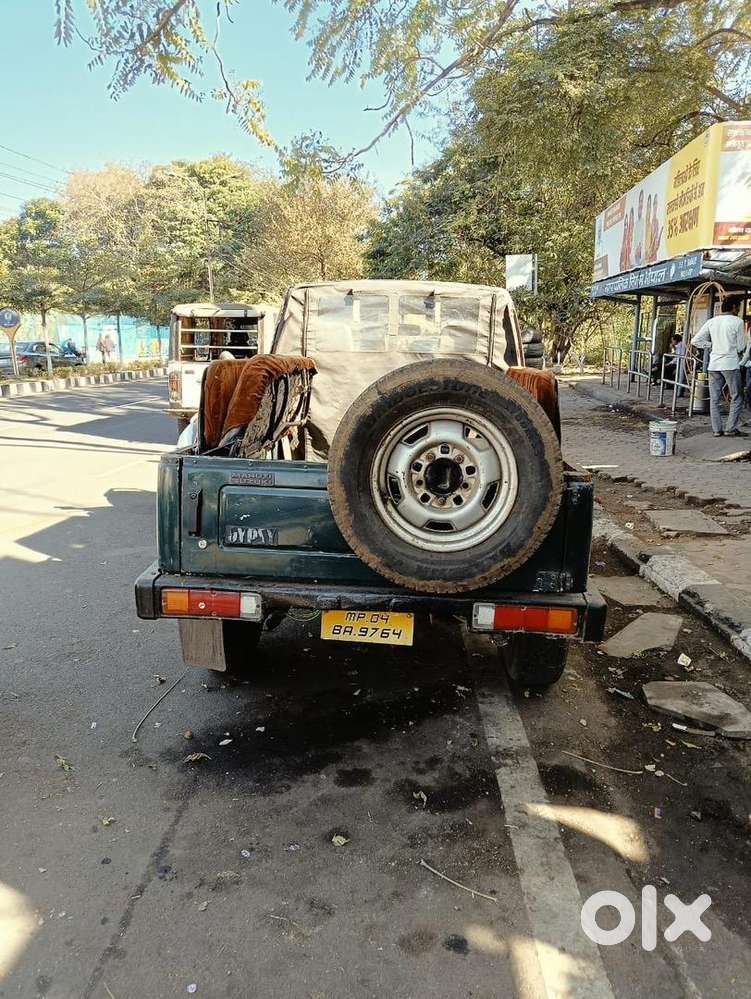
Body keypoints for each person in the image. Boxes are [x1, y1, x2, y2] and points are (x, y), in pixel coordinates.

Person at [691, 299, 747, 437]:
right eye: (738, 307)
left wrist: (712, 346)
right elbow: (740, 346)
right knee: (737, 397)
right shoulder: (738, 322)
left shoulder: (712, 321)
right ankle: (730, 428)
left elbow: (695, 341)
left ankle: (716, 430)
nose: (739, 310)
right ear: (734, 307)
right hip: (730, 364)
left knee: (714, 399)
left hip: (714, 365)